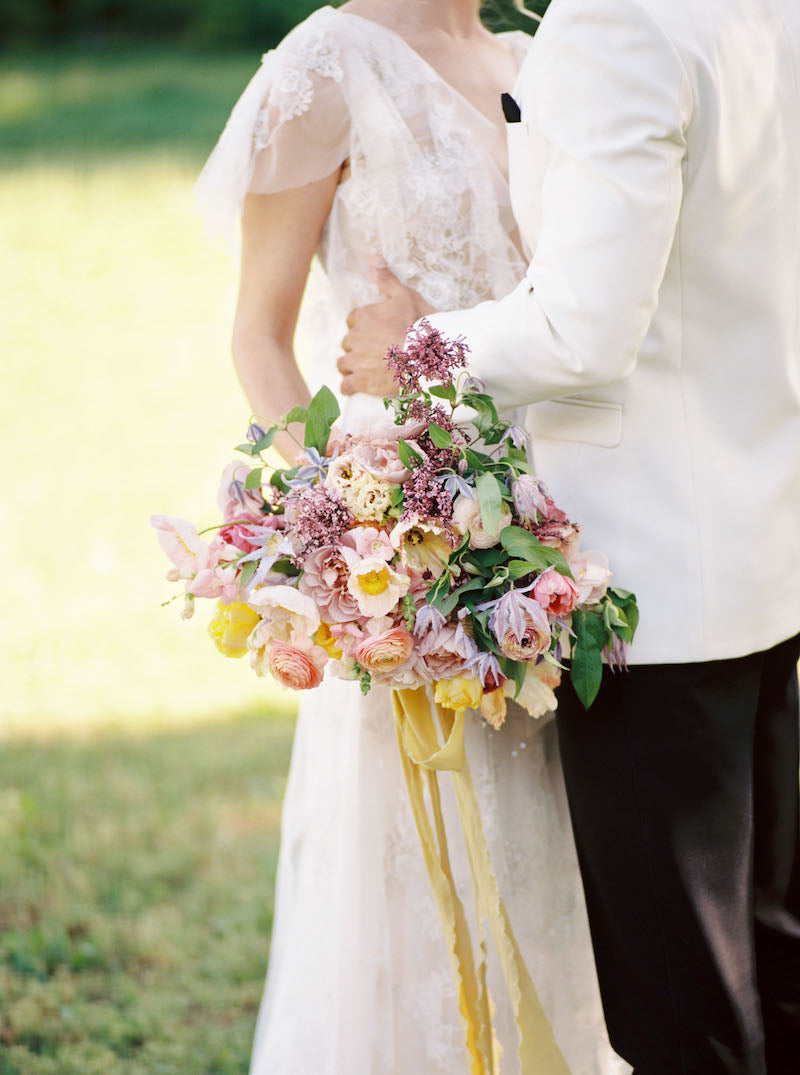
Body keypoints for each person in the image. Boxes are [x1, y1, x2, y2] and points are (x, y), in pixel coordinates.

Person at [340, 0, 800, 1072]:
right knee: (772, 964)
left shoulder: (614, 26)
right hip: (763, 552)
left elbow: (581, 331)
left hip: (650, 587)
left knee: (681, 1009)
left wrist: (415, 350)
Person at [196, 2, 629, 1073]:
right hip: (412, 540)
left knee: (564, 862)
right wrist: (336, 534)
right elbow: (259, 329)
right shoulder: (325, 65)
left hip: (555, 536)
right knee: (422, 864)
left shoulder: (531, 56)